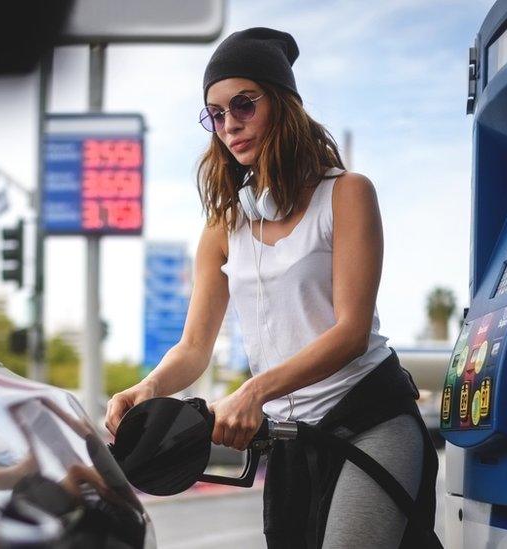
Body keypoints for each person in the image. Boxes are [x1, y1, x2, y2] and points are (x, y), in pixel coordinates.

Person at [105, 27, 437, 548]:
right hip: (291, 441)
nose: (229, 125)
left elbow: (351, 333)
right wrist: (150, 388)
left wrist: (254, 391)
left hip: (370, 421)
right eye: (215, 115)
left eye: (243, 105)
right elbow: (195, 348)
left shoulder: (347, 194)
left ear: (282, 105)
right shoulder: (224, 228)